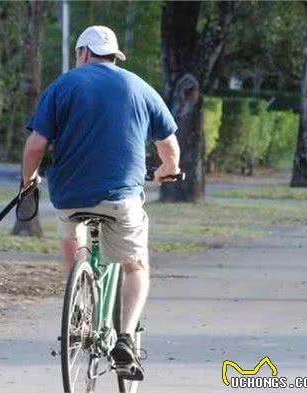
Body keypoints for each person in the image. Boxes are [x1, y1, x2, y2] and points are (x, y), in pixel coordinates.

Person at [20, 25, 181, 380]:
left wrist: (28, 180)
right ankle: (124, 337)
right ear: (113, 56)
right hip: (121, 198)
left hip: (70, 197)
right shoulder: (139, 86)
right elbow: (168, 144)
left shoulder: (62, 86)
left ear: (82, 54)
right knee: (135, 264)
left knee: (72, 237)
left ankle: (77, 303)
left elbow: (35, 145)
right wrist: (169, 171)